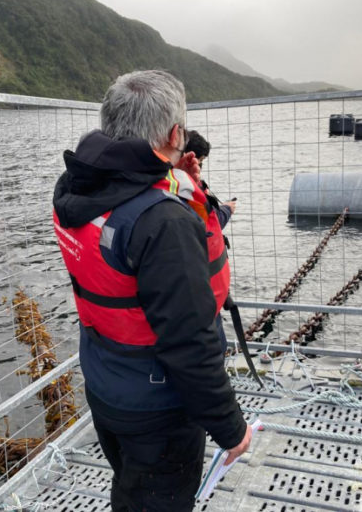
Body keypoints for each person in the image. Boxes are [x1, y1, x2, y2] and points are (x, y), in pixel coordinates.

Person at [52, 70, 252, 512]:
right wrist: (230, 427)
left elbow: (127, 218)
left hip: (107, 386)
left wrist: (174, 175)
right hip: (158, 408)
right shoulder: (164, 223)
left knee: (131, 488)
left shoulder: (73, 187)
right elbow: (189, 342)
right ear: (175, 133)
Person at [185, 130, 236, 351]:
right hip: (200, 297)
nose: (200, 170)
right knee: (214, 348)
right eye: (200, 162)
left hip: (204, 294)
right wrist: (227, 209)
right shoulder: (186, 193)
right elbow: (207, 225)